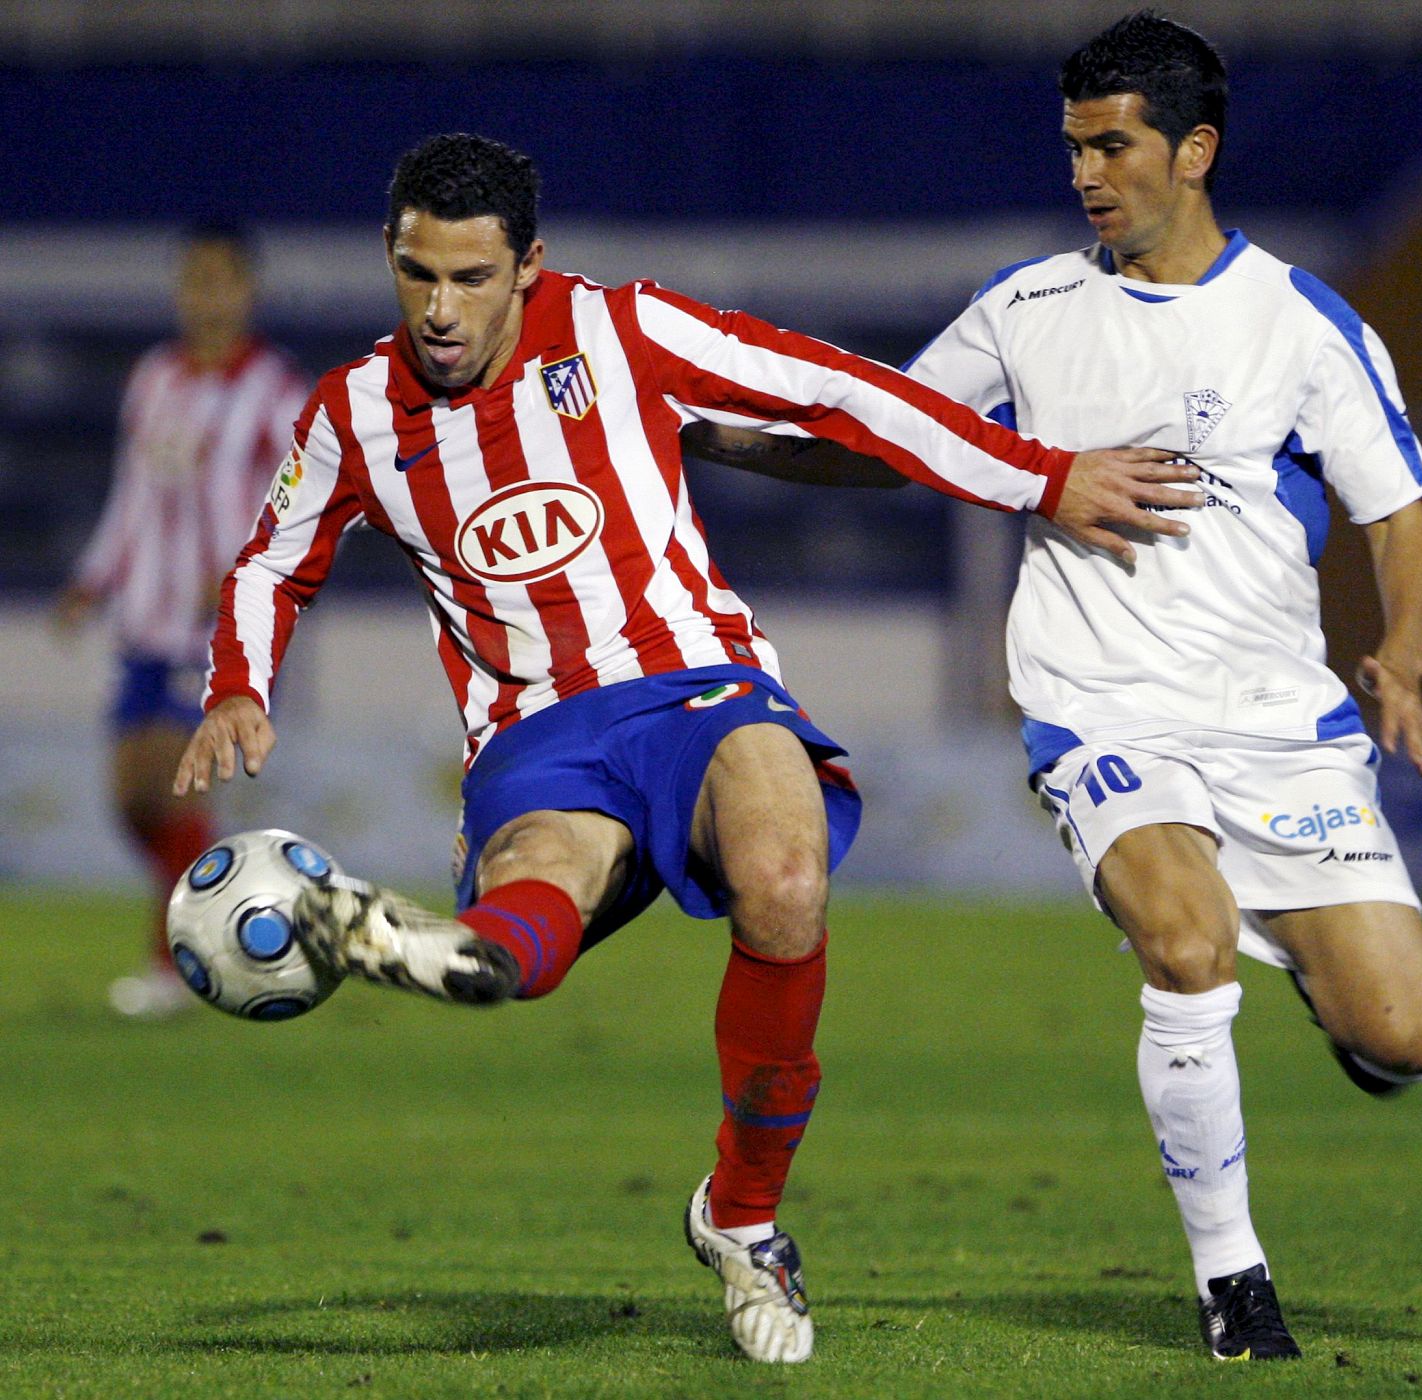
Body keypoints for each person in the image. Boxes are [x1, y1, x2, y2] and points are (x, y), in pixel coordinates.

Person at [171, 133, 1197, 1364]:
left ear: (529, 266)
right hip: (535, 727)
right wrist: (237, 683)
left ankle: (743, 1215)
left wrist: (1040, 475)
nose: (440, 312)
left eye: (471, 280)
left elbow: (838, 390)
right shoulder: (351, 415)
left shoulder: (625, 330)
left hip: (696, 681)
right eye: (416, 275)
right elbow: (272, 558)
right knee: (522, 937)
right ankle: (422, 944)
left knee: (786, 874)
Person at [695, 8, 1422, 1365]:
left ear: (1196, 150)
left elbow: (1399, 511)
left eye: (1115, 146)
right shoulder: (1028, 310)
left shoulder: (1300, 324)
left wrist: (1400, 655)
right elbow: (897, 437)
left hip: (1282, 729)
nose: (1089, 174)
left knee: (1408, 1039)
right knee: (1183, 945)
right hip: (1103, 709)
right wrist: (732, 446)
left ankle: (1332, 987)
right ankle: (1236, 1289)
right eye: (1075, 148)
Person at [58, 223, 308, 1019]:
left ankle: (171, 966)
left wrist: (247, 568)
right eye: (194, 280)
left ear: (247, 290)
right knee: (128, 799)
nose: (206, 295)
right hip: (144, 619)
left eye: (221, 280)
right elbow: (132, 497)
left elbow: (303, 504)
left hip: (214, 631)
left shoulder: (275, 391)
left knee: (171, 788)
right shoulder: (153, 378)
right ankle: (238, 908)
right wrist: (93, 581)